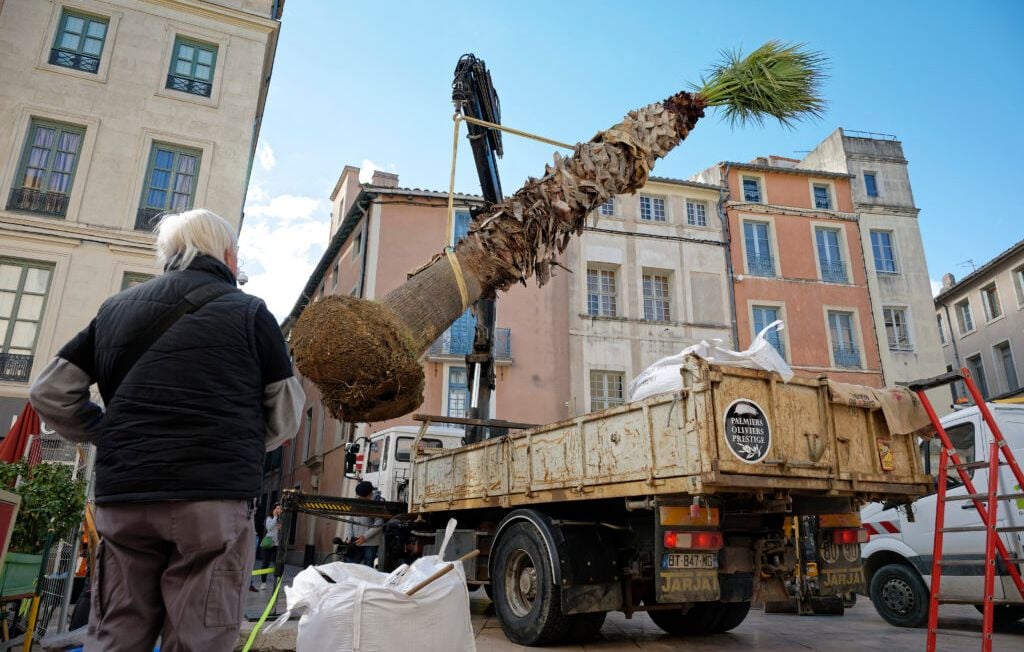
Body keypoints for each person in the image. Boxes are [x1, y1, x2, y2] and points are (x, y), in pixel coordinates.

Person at [29, 209, 304, 652]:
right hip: (211, 501)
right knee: (199, 638)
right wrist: (237, 444)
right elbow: (287, 415)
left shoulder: (114, 309)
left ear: (168, 254)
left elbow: (49, 391)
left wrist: (107, 431)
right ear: (228, 256)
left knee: (117, 632)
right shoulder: (251, 313)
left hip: (126, 497)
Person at [344, 481, 385, 567]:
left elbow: (379, 523)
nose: (360, 498)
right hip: (356, 541)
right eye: (359, 496)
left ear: (369, 494)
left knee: (367, 568)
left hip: (370, 543)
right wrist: (349, 535)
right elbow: (350, 519)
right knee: (351, 566)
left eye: (363, 497)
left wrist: (365, 537)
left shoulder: (378, 502)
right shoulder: (356, 501)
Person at [253, 503, 283, 590]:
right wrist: (275, 517)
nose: (278, 510)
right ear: (273, 510)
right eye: (277, 508)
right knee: (265, 563)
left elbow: (283, 530)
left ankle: (277, 581)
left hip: (277, 545)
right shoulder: (269, 518)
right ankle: (263, 583)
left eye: (280, 509)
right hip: (269, 544)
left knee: (278, 563)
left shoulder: (280, 520)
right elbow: (269, 528)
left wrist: (280, 526)